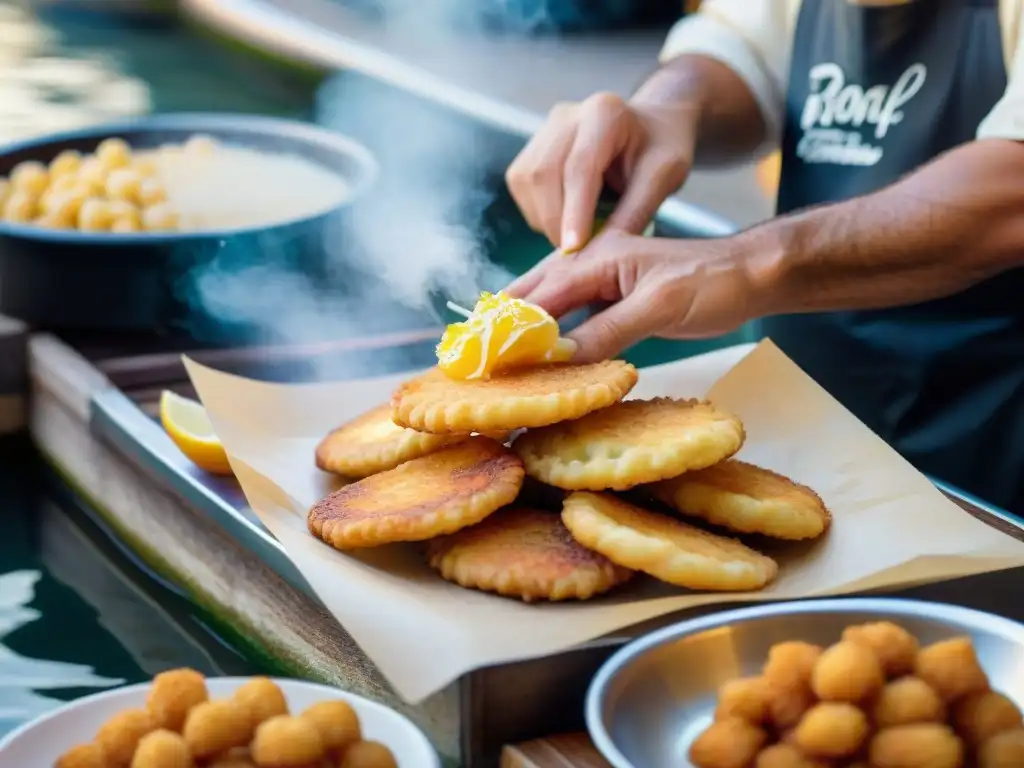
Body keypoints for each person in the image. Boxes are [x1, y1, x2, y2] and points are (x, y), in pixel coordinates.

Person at [504, 0, 1024, 513]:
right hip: (807, 447)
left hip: (991, 475)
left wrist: (751, 263)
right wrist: (665, 107)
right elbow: (742, 49)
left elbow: (1011, 195)